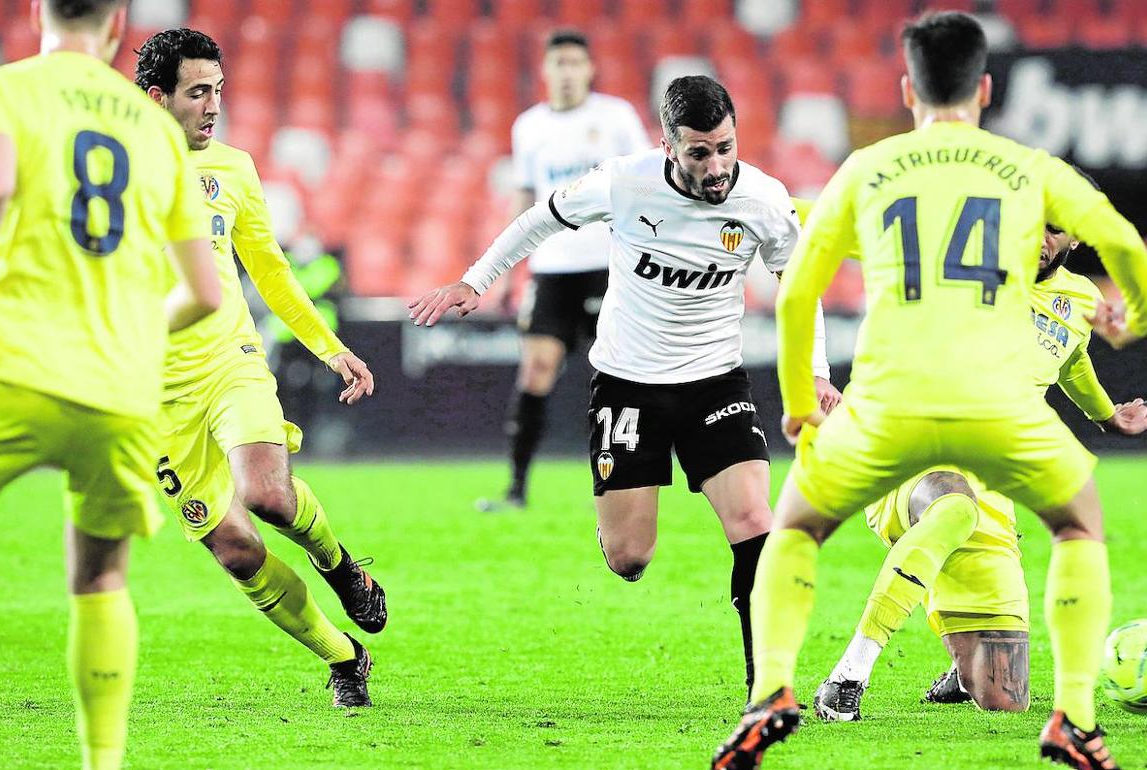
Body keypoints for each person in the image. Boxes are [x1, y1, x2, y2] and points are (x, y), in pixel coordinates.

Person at [712, 12, 1147, 770]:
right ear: (984, 89)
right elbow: (1130, 247)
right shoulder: (1029, 173)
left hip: (889, 406)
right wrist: (1134, 318)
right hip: (994, 417)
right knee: (1078, 523)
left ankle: (771, 694)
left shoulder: (872, 169)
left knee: (796, 527)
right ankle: (1074, 716)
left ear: (909, 88)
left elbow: (794, 295)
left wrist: (796, 400)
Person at [410, 75, 840, 695]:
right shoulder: (624, 181)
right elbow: (540, 219)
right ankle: (614, 514)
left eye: (725, 148)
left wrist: (817, 371)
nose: (717, 166)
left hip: (716, 382)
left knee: (752, 519)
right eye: (699, 152)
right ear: (669, 147)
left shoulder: (765, 200)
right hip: (628, 386)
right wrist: (476, 281)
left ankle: (766, 686)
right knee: (629, 556)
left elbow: (801, 292)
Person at [0, 2, 221, 768]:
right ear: (117, 22)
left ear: (41, 11)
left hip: (17, 371)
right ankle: (102, 761)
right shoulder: (155, 132)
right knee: (103, 576)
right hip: (121, 392)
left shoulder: (2, 88)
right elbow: (205, 293)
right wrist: (137, 335)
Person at [810, 214, 1147, 722]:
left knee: (1005, 697)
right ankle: (849, 674)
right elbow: (852, 231)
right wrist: (762, 196)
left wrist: (1106, 415)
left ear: (1075, 238)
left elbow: (1071, 359)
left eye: (1054, 229)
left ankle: (962, 665)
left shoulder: (1079, 301)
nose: (1038, 236)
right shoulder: (961, 258)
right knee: (952, 509)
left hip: (992, 480)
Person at [135, 28, 384, 707]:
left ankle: (341, 567)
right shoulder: (113, 172)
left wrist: (328, 346)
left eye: (218, 89)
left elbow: (270, 271)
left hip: (229, 361)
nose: (213, 105)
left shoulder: (233, 168)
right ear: (159, 99)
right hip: (156, 400)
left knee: (268, 496)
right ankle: (344, 656)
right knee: (238, 552)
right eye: (198, 92)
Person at [478, 28, 650, 512]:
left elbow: (645, 180)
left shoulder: (615, 118)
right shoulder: (528, 127)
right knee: (535, 370)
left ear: (590, 69)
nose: (568, 72)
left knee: (625, 375)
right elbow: (524, 196)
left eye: (576, 63)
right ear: (546, 70)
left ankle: (636, 478)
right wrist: (511, 270)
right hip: (552, 269)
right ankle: (515, 488)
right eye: (559, 63)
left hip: (609, 266)